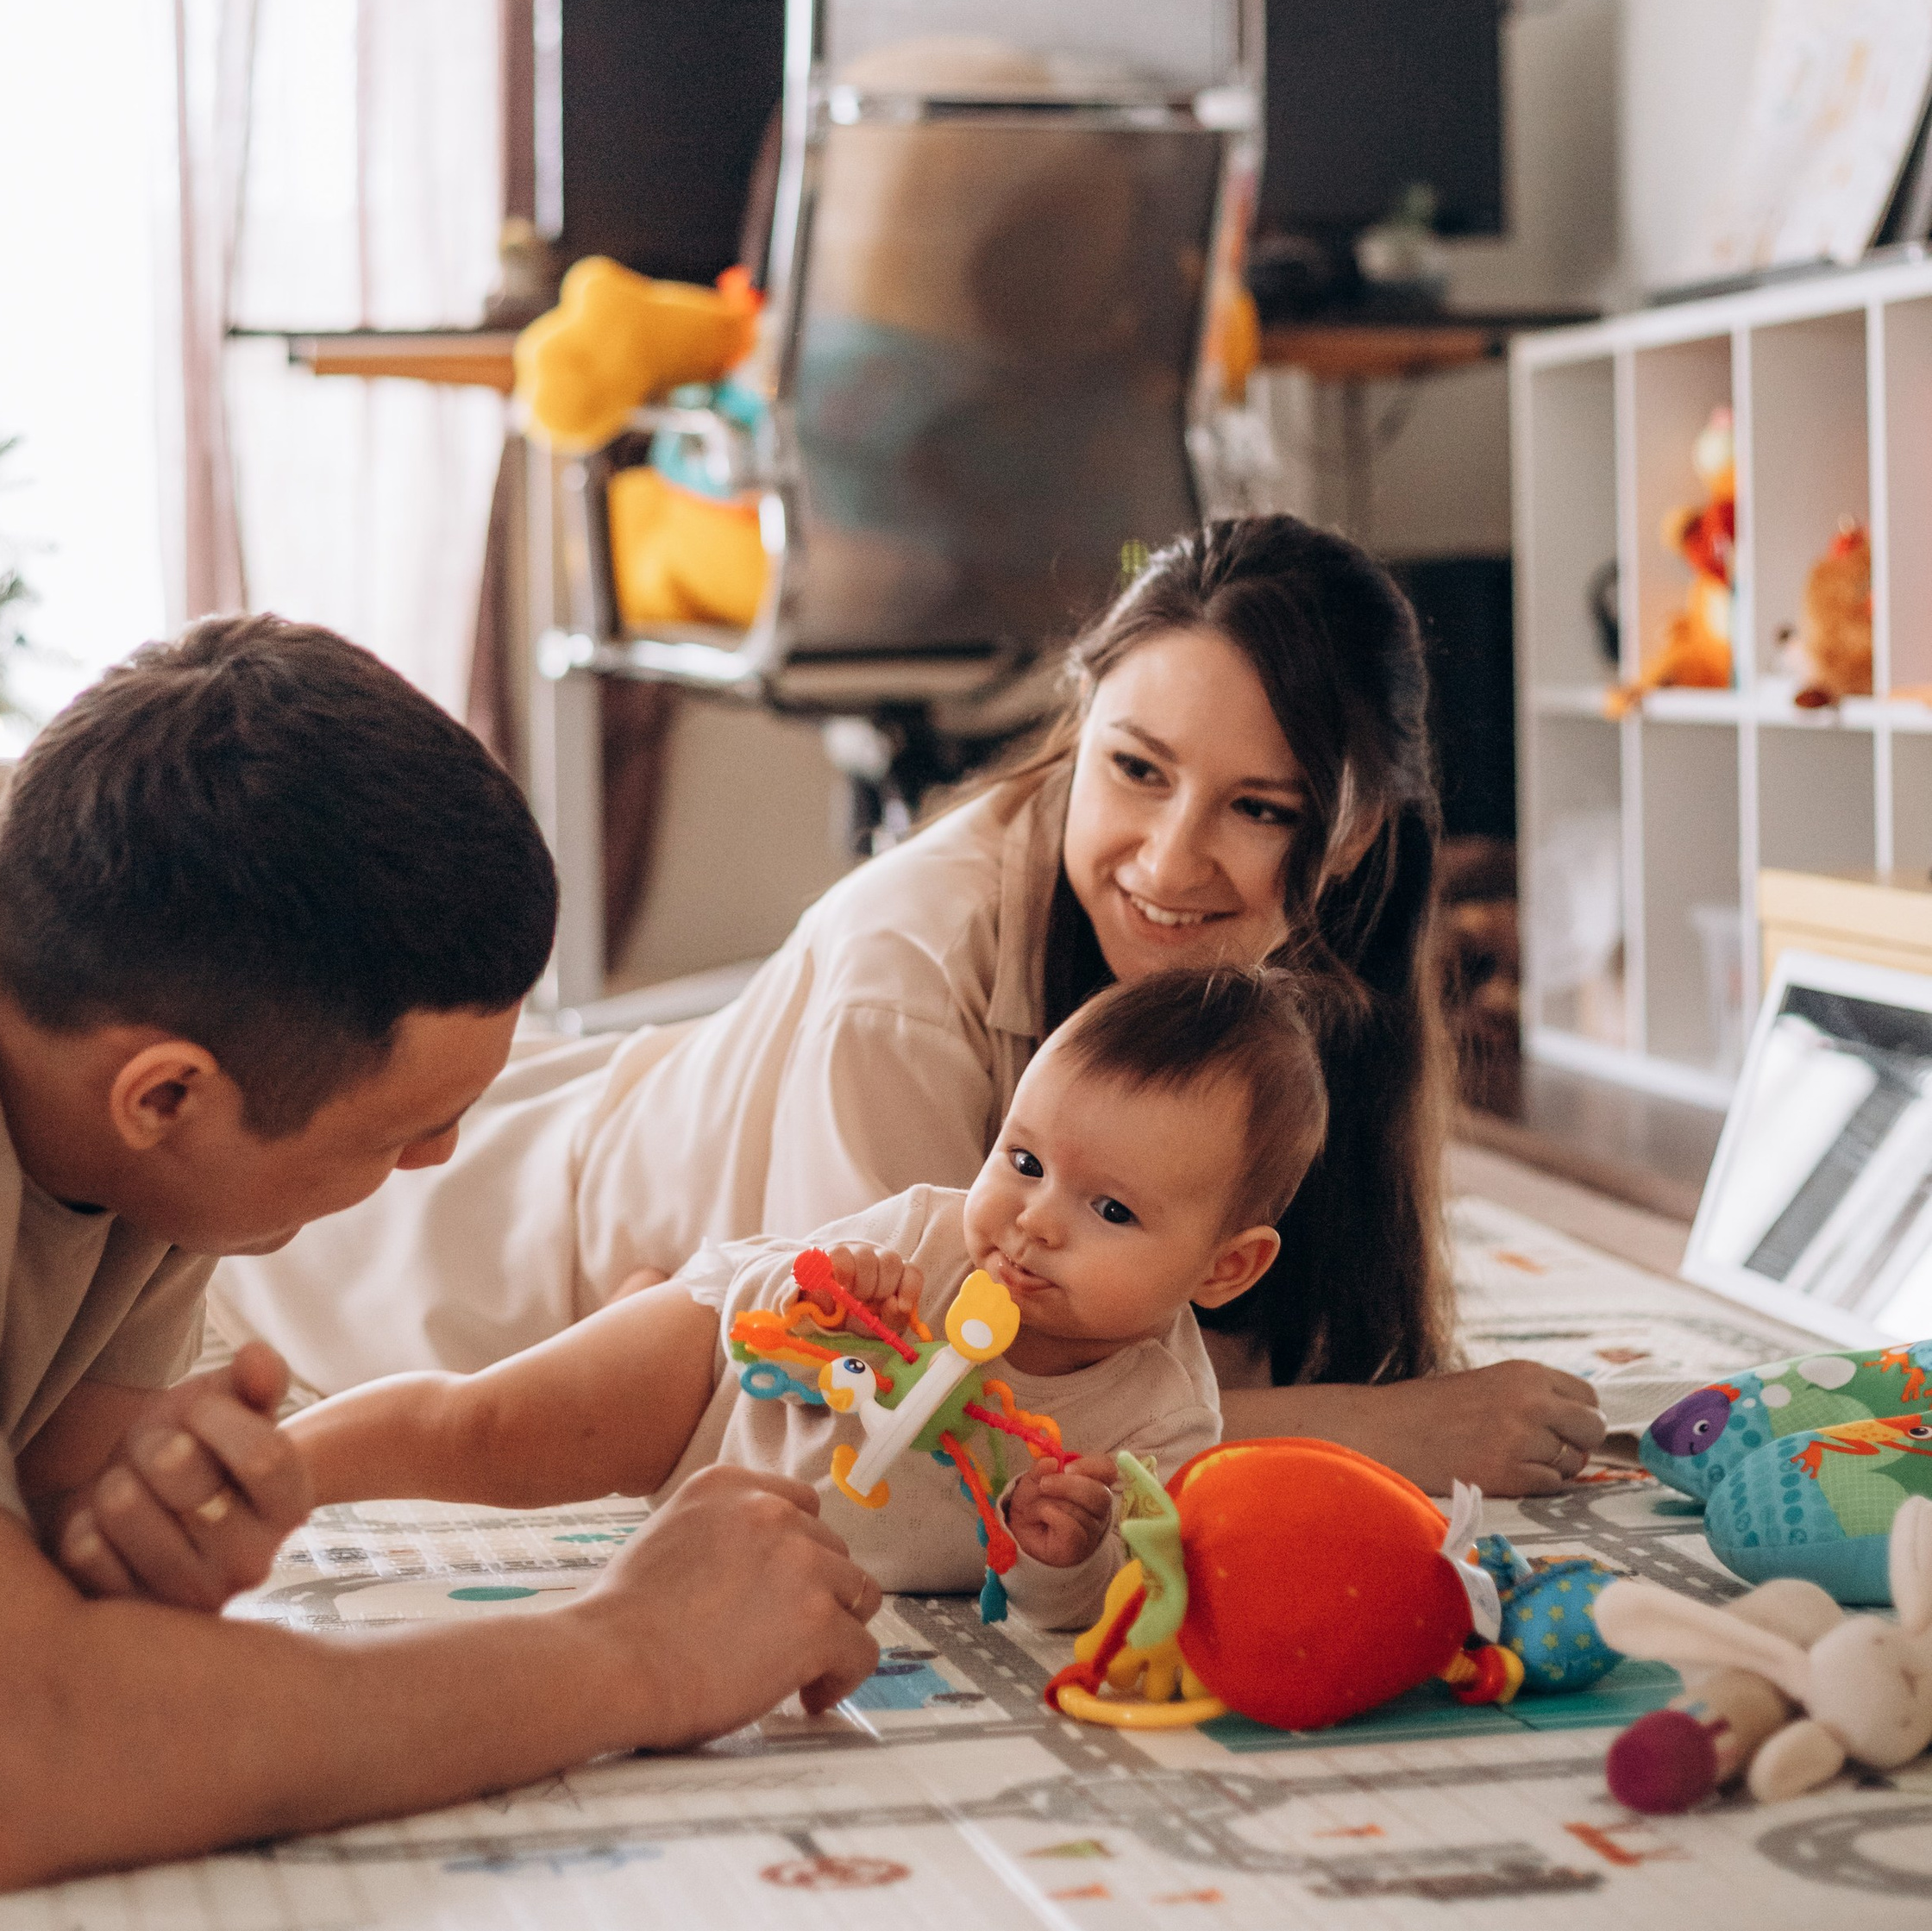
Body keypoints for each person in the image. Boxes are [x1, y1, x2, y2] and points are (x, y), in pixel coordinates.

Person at [0, 618, 880, 1897]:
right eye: (401, 1133)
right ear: (164, 1100)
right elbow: (0, 1773)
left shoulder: (100, 921)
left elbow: (42, 1522)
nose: (440, 1160)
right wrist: (637, 1652)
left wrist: (110, 1542)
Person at [215, 517, 1605, 1500]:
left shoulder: (1322, 979)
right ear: (1079, 729)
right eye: (1133, 771)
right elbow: (907, 1437)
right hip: (423, 1253)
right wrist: (1385, 1433)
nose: (1173, 864)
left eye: (1262, 810)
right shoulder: (907, 978)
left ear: (1361, 832)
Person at [266, 969, 1325, 1638]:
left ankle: (625, 1296)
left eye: (1108, 1209)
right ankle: (273, 1467)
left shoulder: (1166, 1424)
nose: (1033, 1221)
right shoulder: (923, 1232)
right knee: (483, 1427)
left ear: (1225, 1267)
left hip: (792, 1538)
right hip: (712, 1395)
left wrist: (1063, 1552)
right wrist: (823, 1302)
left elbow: (1089, 1611)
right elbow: (766, 1316)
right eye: (1022, 1158)